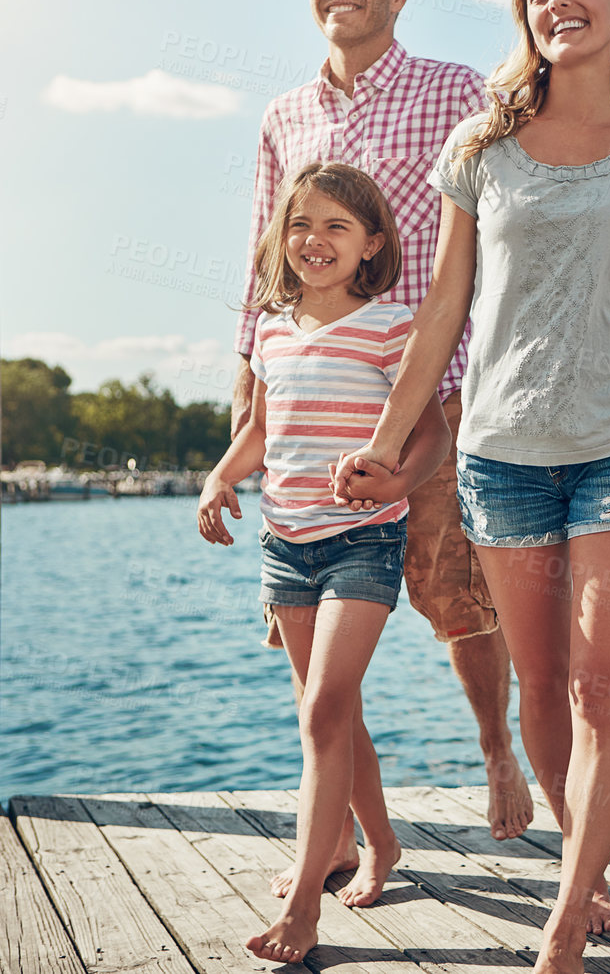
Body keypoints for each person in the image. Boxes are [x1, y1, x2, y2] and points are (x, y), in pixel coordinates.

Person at [332, 0, 610, 974]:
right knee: (543, 680)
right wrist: (389, 445)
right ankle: (585, 863)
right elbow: (444, 307)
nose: (558, 1)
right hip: (502, 449)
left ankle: (562, 920)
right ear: (526, 17)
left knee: (603, 687)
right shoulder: (480, 150)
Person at [231, 0, 610, 858]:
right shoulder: (282, 115)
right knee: (307, 606)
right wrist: (247, 378)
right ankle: (337, 825)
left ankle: (497, 747)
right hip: (310, 391)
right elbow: (263, 251)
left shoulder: (457, 88)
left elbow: (553, 99)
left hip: (445, 385)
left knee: (456, 596)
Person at [199, 161, 453, 965]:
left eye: (338, 227)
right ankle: (379, 844)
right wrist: (217, 476)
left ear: (371, 243)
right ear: (282, 237)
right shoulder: (272, 329)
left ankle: (305, 908)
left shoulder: (392, 327)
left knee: (321, 712)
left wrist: (399, 481)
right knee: (334, 713)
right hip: (285, 546)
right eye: (302, 224)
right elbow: (261, 430)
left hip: (364, 540)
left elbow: (433, 437)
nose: (316, 240)